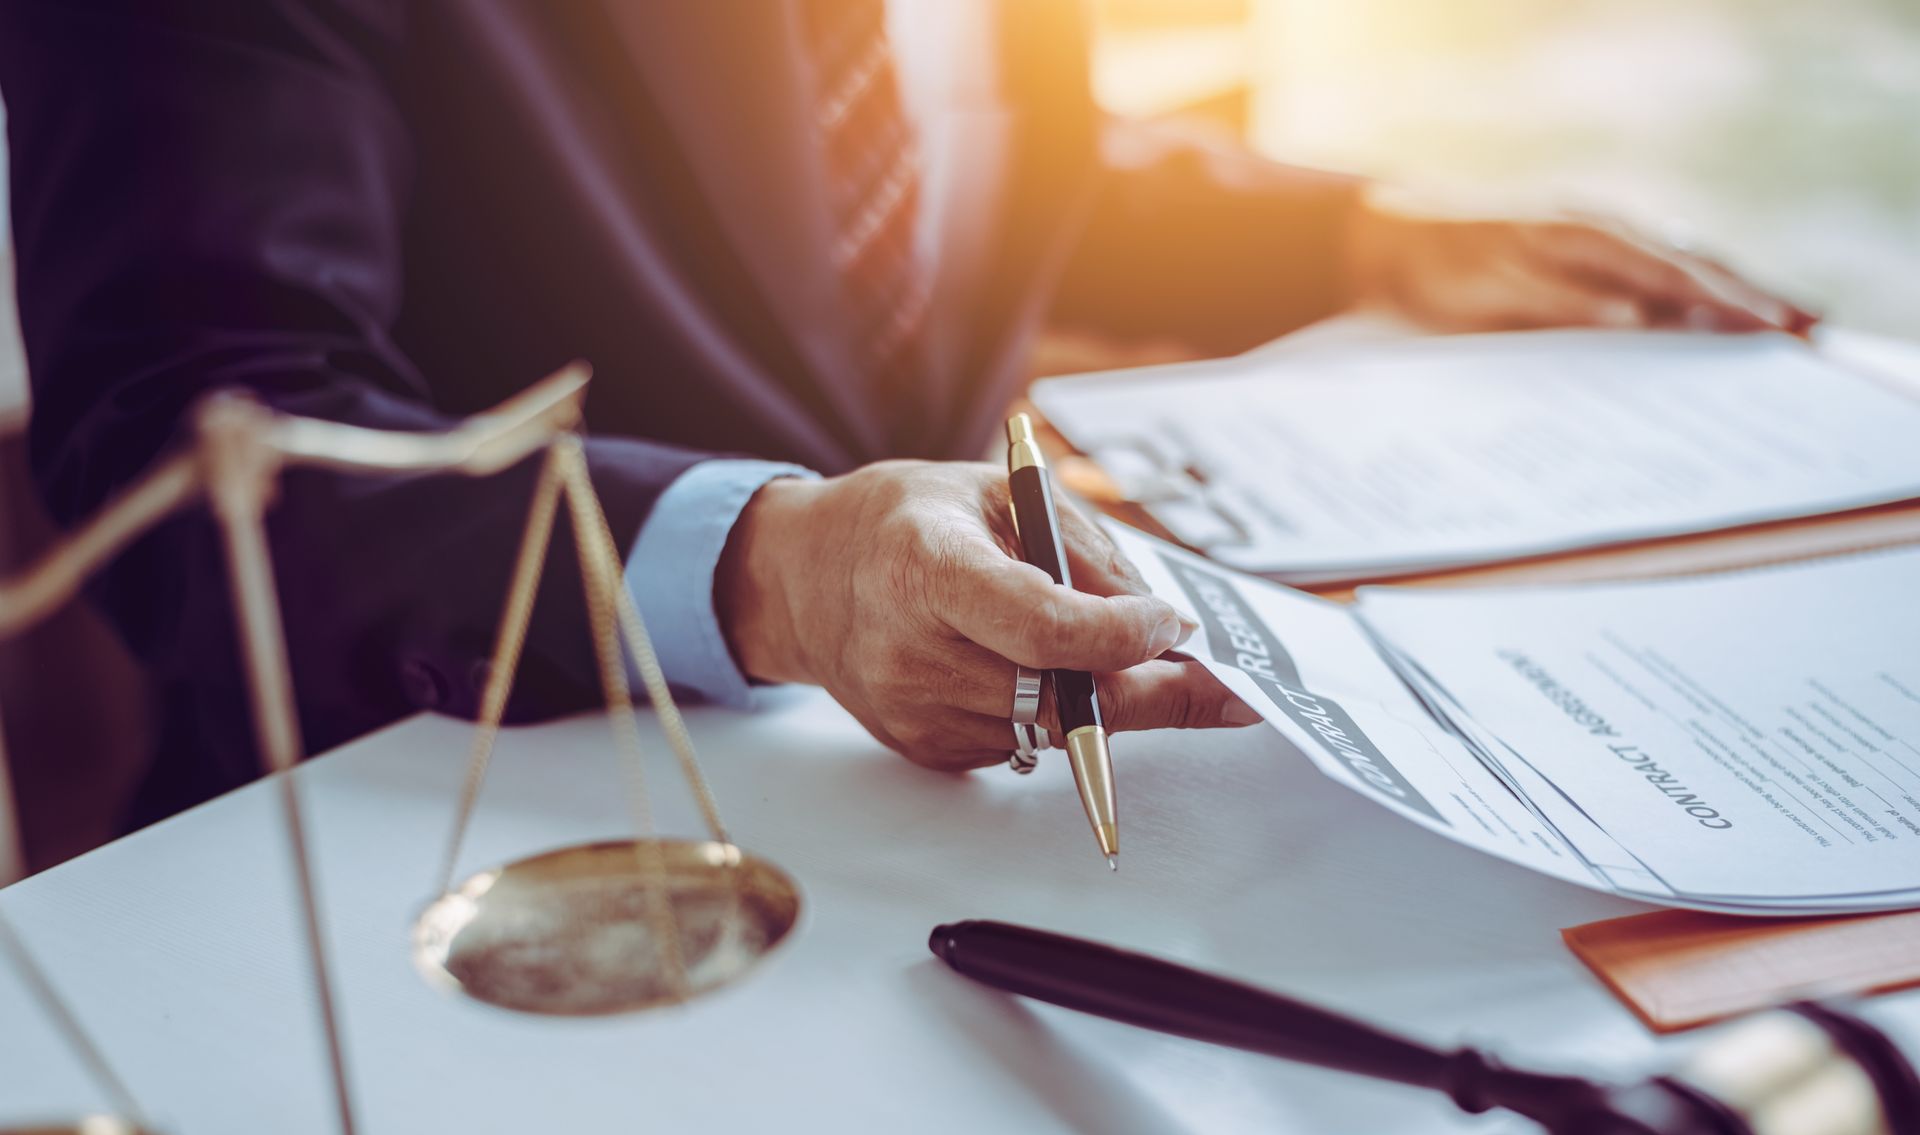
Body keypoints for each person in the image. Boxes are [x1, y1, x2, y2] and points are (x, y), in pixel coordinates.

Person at [0, 0, 1811, 826]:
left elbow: (983, 160)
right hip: (450, 834)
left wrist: (1358, 233)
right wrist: (769, 567)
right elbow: (189, 427)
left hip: (947, 810)